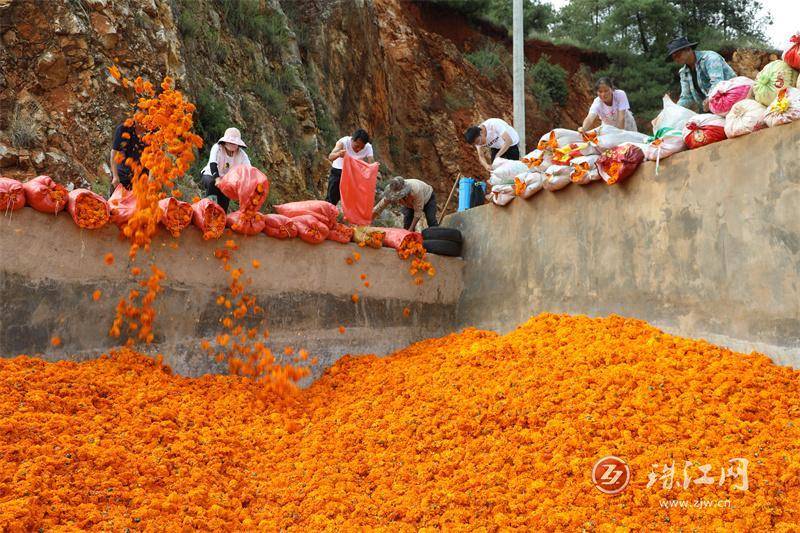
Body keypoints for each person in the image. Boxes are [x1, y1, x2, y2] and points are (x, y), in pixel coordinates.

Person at [666, 36, 736, 112]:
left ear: (688, 49)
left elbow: (717, 83)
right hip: (710, 108)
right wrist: (675, 111)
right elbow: (686, 97)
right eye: (674, 58)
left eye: (678, 55)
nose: (676, 59)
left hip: (732, 99)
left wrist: (709, 99)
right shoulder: (683, 72)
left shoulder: (710, 58)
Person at [200, 127, 250, 212]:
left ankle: (221, 217)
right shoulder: (217, 148)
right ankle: (207, 209)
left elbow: (248, 170)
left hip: (227, 182)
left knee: (224, 201)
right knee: (212, 184)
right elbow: (213, 163)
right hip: (210, 175)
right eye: (230, 142)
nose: (232, 144)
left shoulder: (242, 155)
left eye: (235, 142)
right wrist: (217, 179)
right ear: (225, 141)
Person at [326, 129, 374, 206]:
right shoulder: (343, 142)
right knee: (332, 198)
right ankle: (327, 214)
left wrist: (373, 168)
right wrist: (338, 154)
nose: (358, 149)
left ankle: (350, 216)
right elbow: (330, 157)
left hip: (353, 173)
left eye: (361, 148)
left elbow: (371, 163)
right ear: (352, 140)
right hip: (338, 171)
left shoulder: (368, 147)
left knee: (352, 199)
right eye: (357, 146)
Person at [372, 176, 438, 232]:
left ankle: (437, 240)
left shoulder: (415, 191)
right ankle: (409, 242)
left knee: (431, 220)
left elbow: (418, 212)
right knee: (407, 222)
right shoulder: (392, 192)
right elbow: (380, 206)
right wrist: (369, 219)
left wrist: (410, 230)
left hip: (428, 198)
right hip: (410, 204)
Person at [110, 120, 145, 194]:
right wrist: (115, 176)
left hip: (141, 178)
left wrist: (151, 179)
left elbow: (154, 158)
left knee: (140, 203)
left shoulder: (152, 131)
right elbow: (114, 153)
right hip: (122, 175)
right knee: (116, 202)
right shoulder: (123, 128)